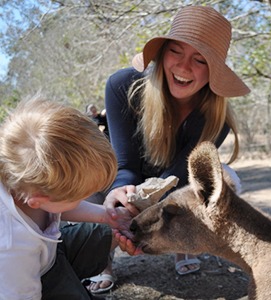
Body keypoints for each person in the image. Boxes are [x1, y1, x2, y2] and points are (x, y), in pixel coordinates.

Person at [84, 5, 250, 294]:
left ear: (213, 72)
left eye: (200, 60)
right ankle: (102, 259)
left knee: (227, 178)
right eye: (176, 51)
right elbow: (124, 165)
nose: (184, 67)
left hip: (169, 184)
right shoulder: (123, 85)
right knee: (85, 172)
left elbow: (176, 177)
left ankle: (183, 246)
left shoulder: (216, 120)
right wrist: (120, 196)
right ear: (161, 54)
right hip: (115, 177)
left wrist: (144, 211)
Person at [0, 97, 133, 299]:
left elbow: (59, 206)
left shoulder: (30, 186)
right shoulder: (13, 248)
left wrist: (107, 216)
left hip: (52, 250)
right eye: (79, 195)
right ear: (38, 201)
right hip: (36, 279)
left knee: (104, 233)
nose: (87, 197)